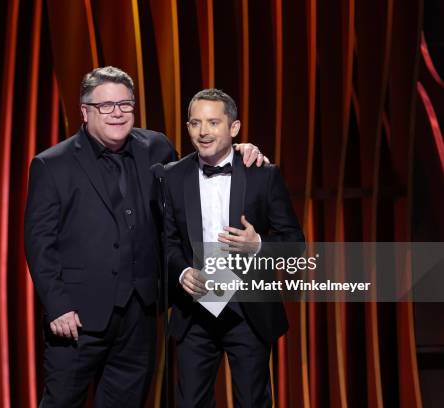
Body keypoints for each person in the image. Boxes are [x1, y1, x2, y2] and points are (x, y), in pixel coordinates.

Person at [24, 67, 266, 407]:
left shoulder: (156, 147)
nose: (118, 112)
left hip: (140, 313)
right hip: (77, 317)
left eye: (125, 103)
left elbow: (201, 167)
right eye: (106, 105)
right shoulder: (52, 164)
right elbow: (39, 242)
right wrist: (58, 306)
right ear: (85, 111)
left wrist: (240, 150)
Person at [163, 88, 305, 407]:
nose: (203, 131)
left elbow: (295, 244)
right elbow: (167, 242)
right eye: (195, 123)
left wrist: (257, 245)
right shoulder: (172, 177)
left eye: (213, 122)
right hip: (194, 311)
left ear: (234, 128)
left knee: (252, 401)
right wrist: (183, 271)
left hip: (248, 311)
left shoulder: (263, 175)